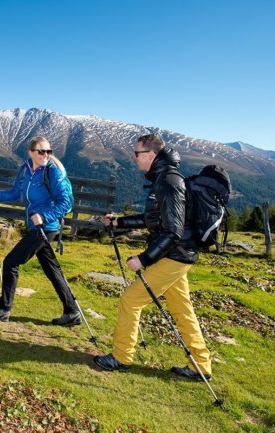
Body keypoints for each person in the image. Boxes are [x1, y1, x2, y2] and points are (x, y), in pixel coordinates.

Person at [94, 133, 213, 381]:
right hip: (178, 255)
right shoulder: (162, 179)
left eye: (137, 153)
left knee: (130, 299)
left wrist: (145, 258)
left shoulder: (168, 182)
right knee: (183, 310)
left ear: (152, 154)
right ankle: (201, 366)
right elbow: (153, 220)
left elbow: (172, 231)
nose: (134, 157)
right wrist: (119, 222)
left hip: (174, 256)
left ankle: (121, 357)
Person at [0, 136, 80, 326]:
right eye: (41, 151)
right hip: (35, 226)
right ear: (31, 152)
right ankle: (72, 311)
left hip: (45, 228)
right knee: (52, 271)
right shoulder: (25, 169)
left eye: (49, 151)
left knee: (11, 261)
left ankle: (3, 308)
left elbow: (67, 203)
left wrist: (44, 216)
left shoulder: (53, 172)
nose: (46, 155)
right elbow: (16, 193)